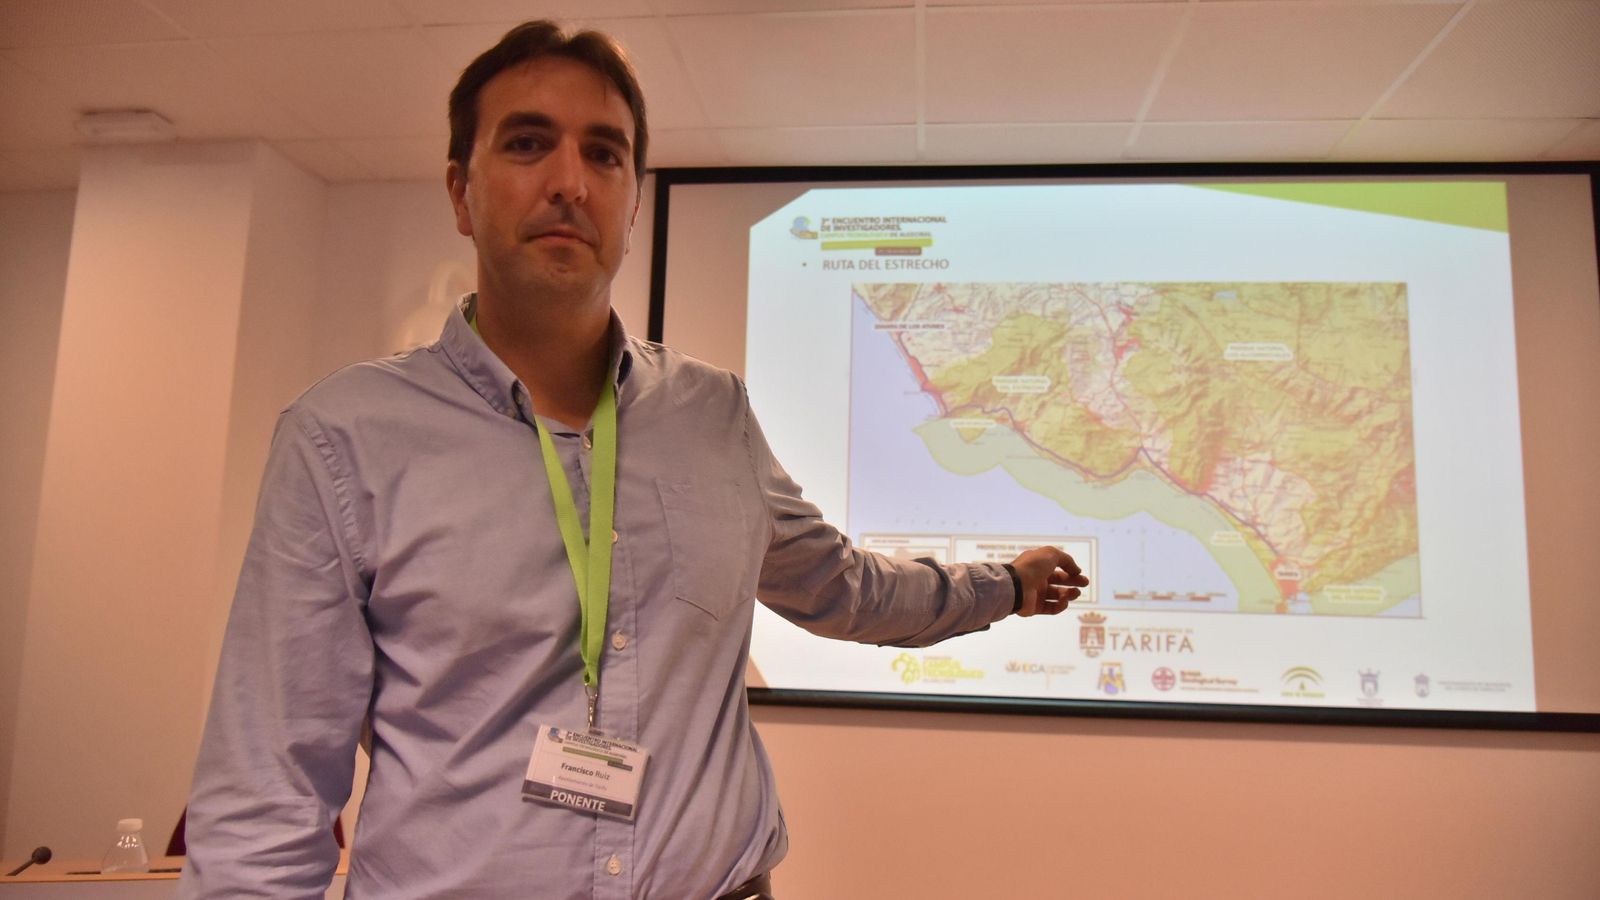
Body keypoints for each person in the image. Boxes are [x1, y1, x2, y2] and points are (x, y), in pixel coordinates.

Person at [179, 20, 1088, 900]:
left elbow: (842, 586)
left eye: (605, 153)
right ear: (460, 191)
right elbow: (271, 790)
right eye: (529, 144)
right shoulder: (343, 440)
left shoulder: (713, 415)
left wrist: (1002, 586)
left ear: (632, 201)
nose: (570, 182)